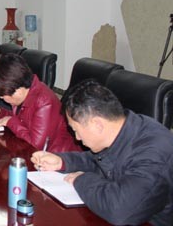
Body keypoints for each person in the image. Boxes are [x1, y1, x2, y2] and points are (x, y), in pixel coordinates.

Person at [32, 81, 173, 226]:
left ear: (97, 124)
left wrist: (81, 179)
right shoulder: (123, 130)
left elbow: (120, 211)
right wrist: (62, 162)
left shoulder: (153, 153)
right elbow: (97, 160)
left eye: (75, 130)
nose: (77, 138)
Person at [0, 53, 79, 152]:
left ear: (17, 90)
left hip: (57, 156)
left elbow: (35, 146)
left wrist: (10, 122)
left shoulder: (44, 101)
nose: (3, 99)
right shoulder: (25, 94)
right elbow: (22, 121)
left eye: (3, 96)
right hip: (35, 154)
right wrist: (0, 113)